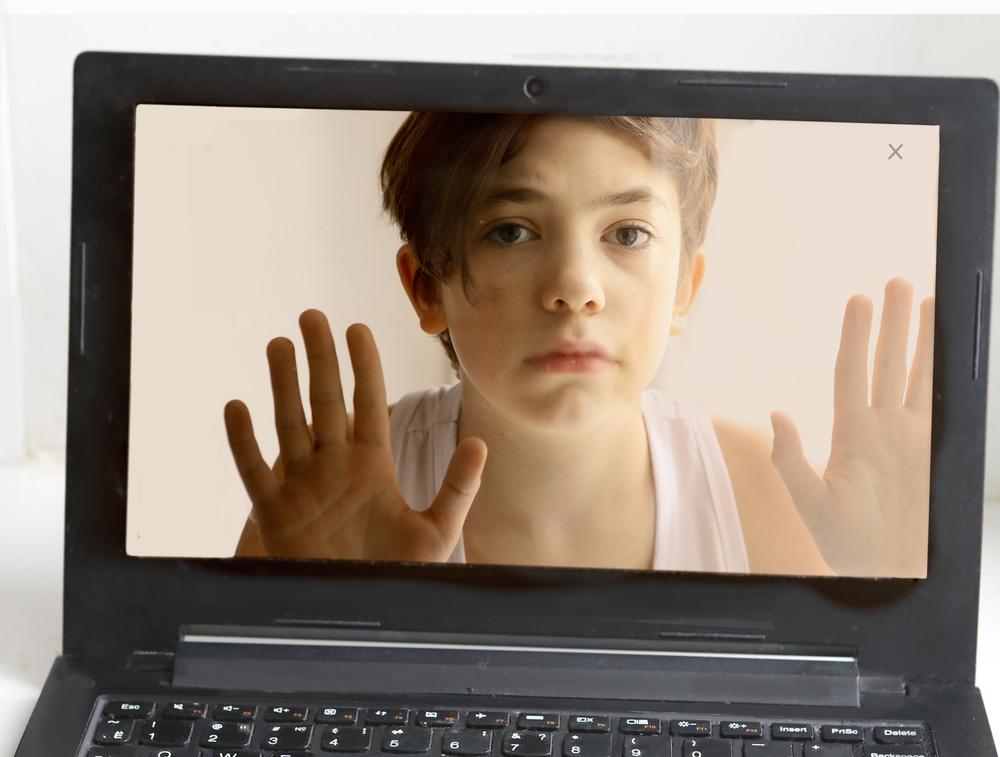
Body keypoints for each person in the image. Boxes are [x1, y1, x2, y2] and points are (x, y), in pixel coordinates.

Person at [225, 113, 933, 578]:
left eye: (627, 233)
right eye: (511, 230)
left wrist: (894, 587)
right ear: (426, 287)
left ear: (685, 287)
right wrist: (321, 615)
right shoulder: (331, 496)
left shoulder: (757, 492)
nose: (574, 287)